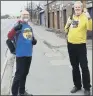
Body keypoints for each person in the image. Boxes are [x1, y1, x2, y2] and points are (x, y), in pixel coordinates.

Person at [64, 1, 92, 95]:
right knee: (74, 66)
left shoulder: (85, 17)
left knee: (84, 67)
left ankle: (87, 88)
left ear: (81, 8)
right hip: (71, 45)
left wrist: (89, 17)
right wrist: (67, 23)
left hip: (81, 45)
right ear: (74, 8)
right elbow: (65, 29)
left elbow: (90, 28)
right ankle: (77, 85)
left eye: (78, 7)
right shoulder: (71, 17)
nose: (77, 9)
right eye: (75, 8)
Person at [7, 10, 37, 96]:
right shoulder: (18, 25)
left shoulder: (28, 26)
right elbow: (9, 36)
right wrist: (15, 29)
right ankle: (14, 93)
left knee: (25, 73)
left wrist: (33, 41)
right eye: (24, 15)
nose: (26, 16)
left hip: (29, 54)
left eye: (27, 15)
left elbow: (30, 37)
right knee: (19, 75)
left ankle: (22, 91)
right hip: (20, 54)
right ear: (21, 16)